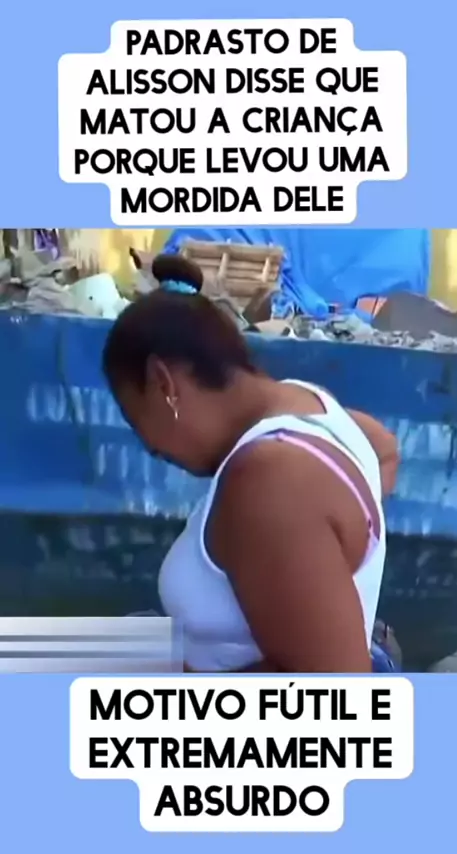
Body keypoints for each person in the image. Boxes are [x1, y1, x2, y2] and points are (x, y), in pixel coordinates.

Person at [102, 255, 399, 674]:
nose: (150, 447)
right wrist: (338, 545)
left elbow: (335, 692)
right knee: (33, 651)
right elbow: (385, 449)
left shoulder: (271, 483)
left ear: (163, 384)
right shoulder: (304, 400)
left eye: (135, 418)